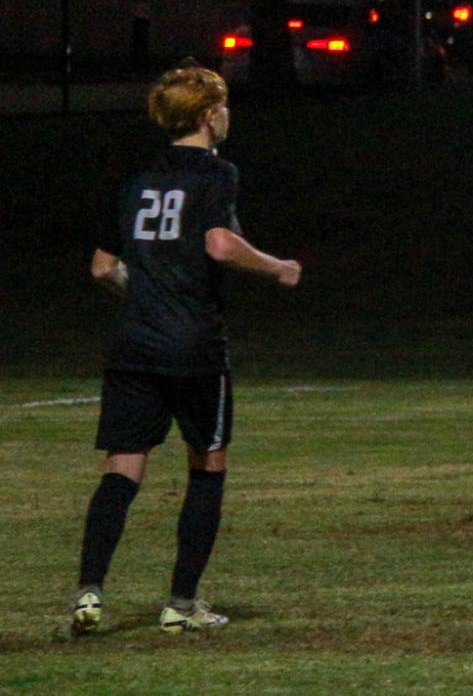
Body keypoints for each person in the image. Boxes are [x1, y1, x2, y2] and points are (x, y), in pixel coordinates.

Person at [69, 63, 303, 638]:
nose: (227, 116)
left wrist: (145, 291)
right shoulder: (216, 173)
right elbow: (220, 244)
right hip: (194, 344)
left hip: (133, 343)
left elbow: (103, 267)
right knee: (207, 463)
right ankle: (180, 603)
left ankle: (88, 594)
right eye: (223, 107)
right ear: (207, 115)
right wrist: (280, 269)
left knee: (123, 466)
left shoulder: (133, 178)